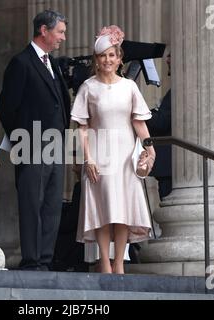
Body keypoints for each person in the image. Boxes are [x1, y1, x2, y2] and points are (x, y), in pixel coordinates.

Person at [71, 25, 156, 274]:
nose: (107, 60)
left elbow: (139, 122)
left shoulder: (129, 86)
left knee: (122, 210)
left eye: (112, 55)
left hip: (125, 155)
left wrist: (150, 149)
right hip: (99, 154)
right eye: (102, 56)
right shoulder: (88, 87)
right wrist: (88, 159)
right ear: (96, 60)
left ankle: (119, 262)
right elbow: (81, 128)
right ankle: (104, 262)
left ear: (119, 59)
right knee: (102, 208)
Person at [0, 10, 71, 271]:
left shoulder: (52, 63)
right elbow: (7, 108)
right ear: (44, 30)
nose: (63, 36)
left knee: (52, 205)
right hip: (31, 145)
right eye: (60, 31)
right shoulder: (21, 63)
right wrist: (23, 142)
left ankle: (45, 260)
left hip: (55, 144)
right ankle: (31, 261)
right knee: (32, 204)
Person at [146, 52, 172, 200]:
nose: (167, 59)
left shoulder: (178, 92)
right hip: (168, 168)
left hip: (170, 167)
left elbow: (162, 122)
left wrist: (141, 113)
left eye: (171, 55)